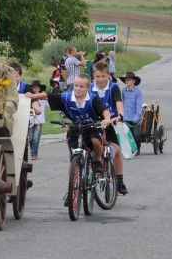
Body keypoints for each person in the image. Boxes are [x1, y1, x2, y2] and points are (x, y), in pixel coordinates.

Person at [40, 74, 114, 206]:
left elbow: (105, 111)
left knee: (96, 142)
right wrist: (29, 96)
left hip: (92, 127)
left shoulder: (93, 99)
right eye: (76, 85)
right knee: (74, 157)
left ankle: (96, 160)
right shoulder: (67, 97)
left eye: (81, 86)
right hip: (75, 129)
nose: (78, 89)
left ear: (87, 88)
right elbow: (47, 96)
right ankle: (72, 189)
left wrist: (106, 119)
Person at [89, 60, 129, 194]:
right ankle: (77, 182)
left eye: (103, 76)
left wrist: (120, 115)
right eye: (97, 76)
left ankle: (120, 181)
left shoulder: (113, 87)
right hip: (93, 123)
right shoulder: (89, 88)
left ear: (108, 76)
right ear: (93, 76)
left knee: (116, 150)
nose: (100, 79)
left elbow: (119, 103)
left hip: (111, 122)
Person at [119, 71, 144, 149]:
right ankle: (130, 149)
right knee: (127, 134)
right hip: (126, 117)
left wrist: (137, 116)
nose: (127, 81)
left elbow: (139, 105)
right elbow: (121, 103)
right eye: (126, 80)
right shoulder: (123, 91)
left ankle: (138, 148)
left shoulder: (138, 92)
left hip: (134, 117)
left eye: (129, 80)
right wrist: (121, 114)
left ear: (134, 81)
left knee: (136, 135)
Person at [26, 79, 46, 160]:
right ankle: (32, 150)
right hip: (30, 120)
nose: (35, 89)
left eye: (37, 88)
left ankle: (34, 154)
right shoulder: (30, 98)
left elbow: (47, 95)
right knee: (30, 138)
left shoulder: (43, 97)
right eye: (34, 88)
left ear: (40, 88)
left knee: (35, 138)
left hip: (39, 121)